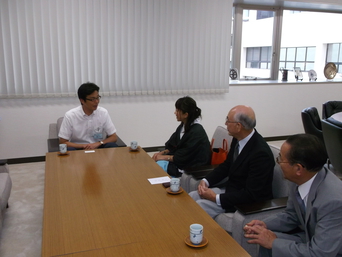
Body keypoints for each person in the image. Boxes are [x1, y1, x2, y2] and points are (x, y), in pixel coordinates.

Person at [244, 134, 342, 257]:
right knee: (266, 241)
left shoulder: (333, 201)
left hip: (329, 251)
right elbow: (292, 215)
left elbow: (320, 253)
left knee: (272, 244)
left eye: (280, 158)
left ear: (298, 169)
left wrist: (273, 242)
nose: (278, 163)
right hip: (311, 238)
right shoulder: (301, 178)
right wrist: (265, 224)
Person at [189, 105, 274, 218]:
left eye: (228, 120)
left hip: (245, 203)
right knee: (192, 196)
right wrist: (206, 180)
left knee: (199, 206)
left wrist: (215, 198)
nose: (225, 123)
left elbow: (251, 194)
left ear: (238, 126)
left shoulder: (261, 154)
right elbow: (227, 165)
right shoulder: (238, 138)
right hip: (231, 192)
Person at [152, 96, 211, 177]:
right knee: (156, 164)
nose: (175, 113)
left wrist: (162, 157)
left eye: (177, 110)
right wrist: (161, 153)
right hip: (181, 161)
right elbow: (172, 145)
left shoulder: (196, 132)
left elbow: (183, 157)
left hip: (192, 167)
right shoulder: (183, 126)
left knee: (157, 168)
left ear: (186, 114)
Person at [59, 82, 118, 150]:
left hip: (98, 146)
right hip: (78, 148)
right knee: (69, 149)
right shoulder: (70, 115)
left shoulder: (103, 113)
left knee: (112, 145)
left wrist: (98, 143)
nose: (96, 102)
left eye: (97, 98)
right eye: (92, 99)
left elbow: (113, 137)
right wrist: (84, 146)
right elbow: (63, 142)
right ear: (82, 101)